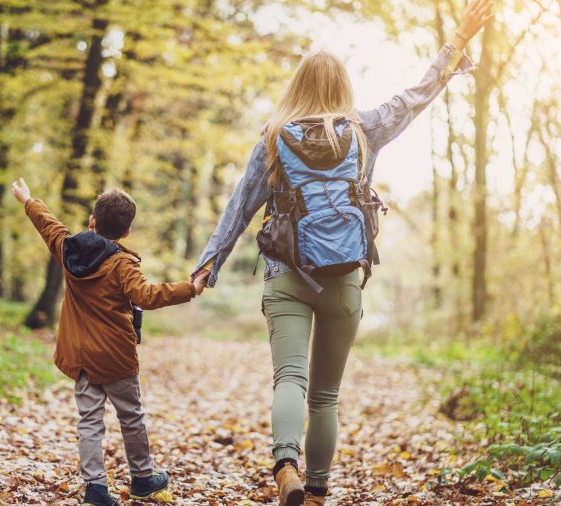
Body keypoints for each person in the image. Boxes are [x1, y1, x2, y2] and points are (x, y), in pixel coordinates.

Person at [191, 1, 495, 504]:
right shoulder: (363, 129)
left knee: (290, 377)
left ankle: (285, 466)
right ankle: (315, 492)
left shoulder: (272, 137)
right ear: (342, 88)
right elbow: (417, 96)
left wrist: (209, 264)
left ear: (298, 85)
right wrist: (456, 43)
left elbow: (241, 205)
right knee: (326, 394)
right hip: (345, 276)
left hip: (287, 274)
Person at [11, 179, 209, 506]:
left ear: (92, 220)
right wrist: (191, 288)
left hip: (80, 355)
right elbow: (147, 295)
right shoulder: (121, 263)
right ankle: (143, 478)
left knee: (89, 421)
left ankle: (95, 489)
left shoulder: (68, 249)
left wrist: (28, 200)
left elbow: (49, 225)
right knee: (131, 417)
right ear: (126, 232)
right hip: (116, 358)